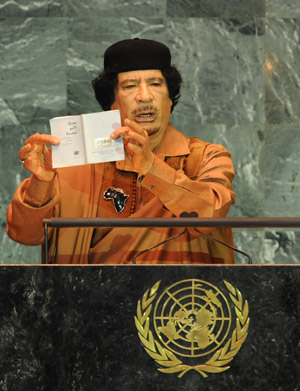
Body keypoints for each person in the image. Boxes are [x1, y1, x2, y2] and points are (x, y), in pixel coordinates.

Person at [6, 38, 236, 264]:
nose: (145, 97)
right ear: (111, 103)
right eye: (130, 86)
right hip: (88, 300)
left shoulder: (207, 157)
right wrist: (42, 182)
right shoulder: (75, 163)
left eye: (156, 84)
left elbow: (212, 214)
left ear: (170, 100)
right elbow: (24, 234)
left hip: (176, 299)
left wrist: (152, 168)